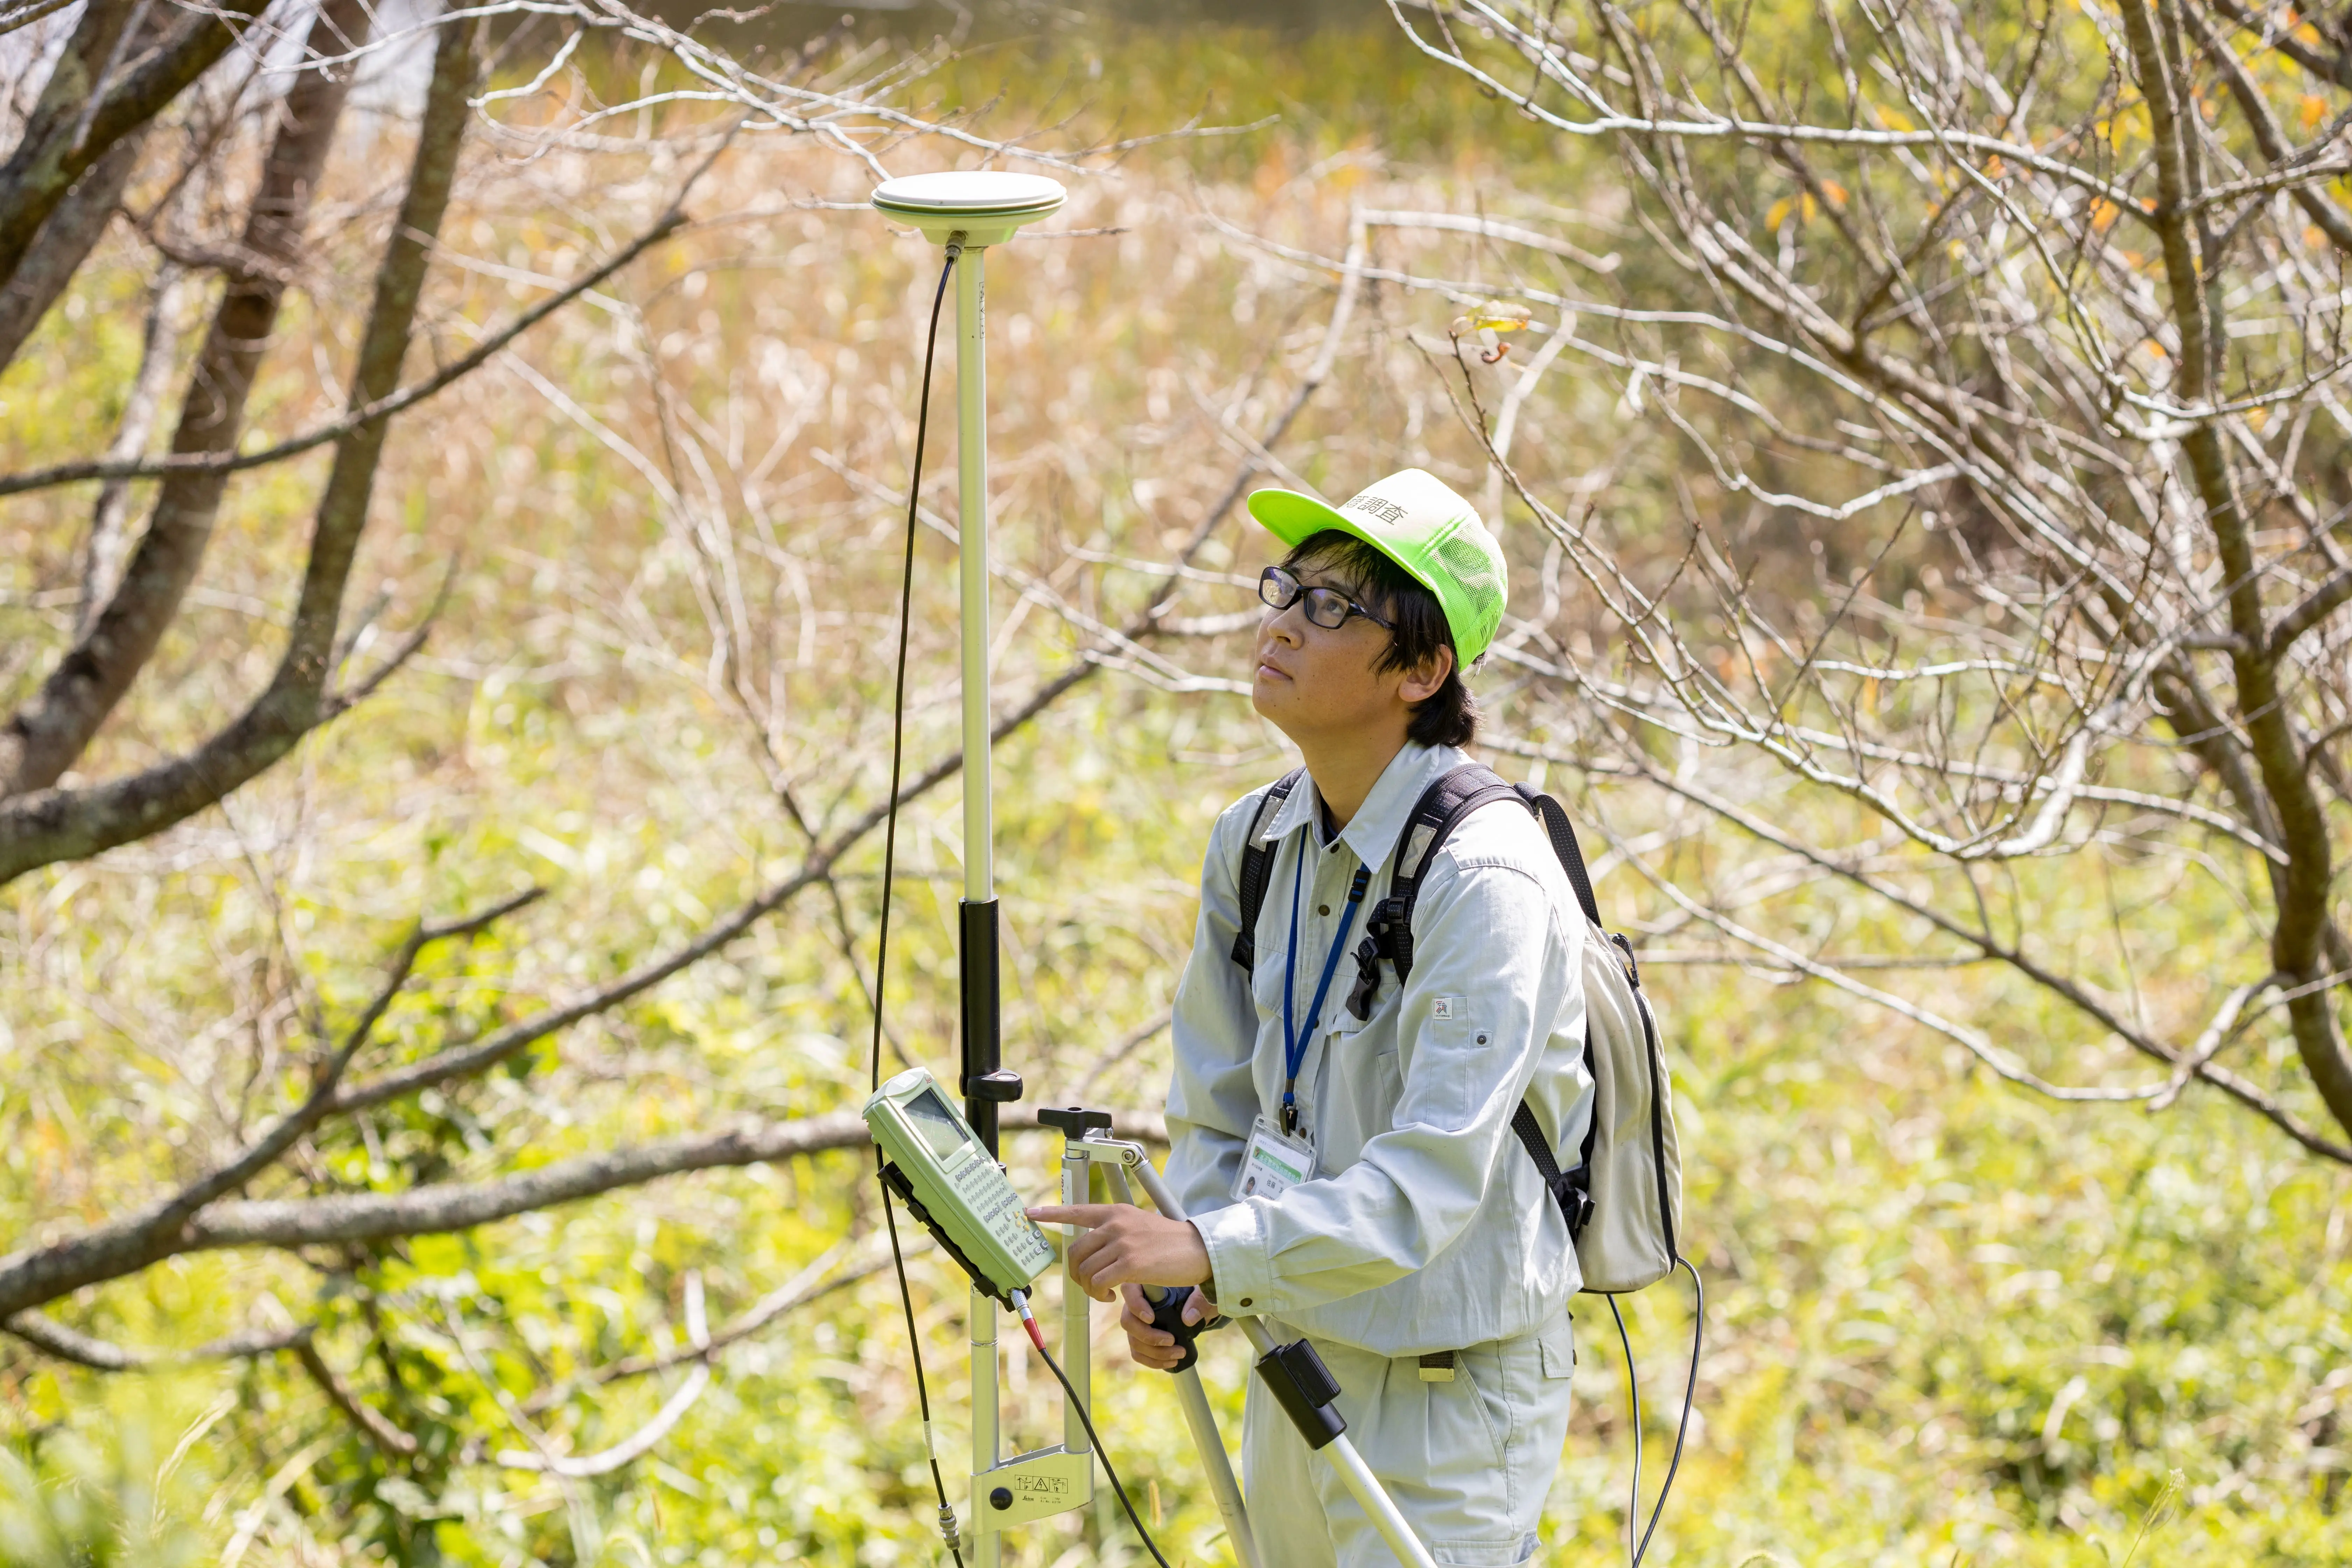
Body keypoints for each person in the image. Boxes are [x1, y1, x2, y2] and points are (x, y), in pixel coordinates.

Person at [1028, 468, 1596, 1567]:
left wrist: (1207, 1246)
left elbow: (1426, 1185)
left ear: (1424, 670)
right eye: (1284, 589)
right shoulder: (1254, 840)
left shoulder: (1488, 880)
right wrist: (1183, 1279)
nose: (1281, 624)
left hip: (1450, 1401)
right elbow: (1218, 1101)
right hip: (1296, 1354)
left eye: (1332, 608)